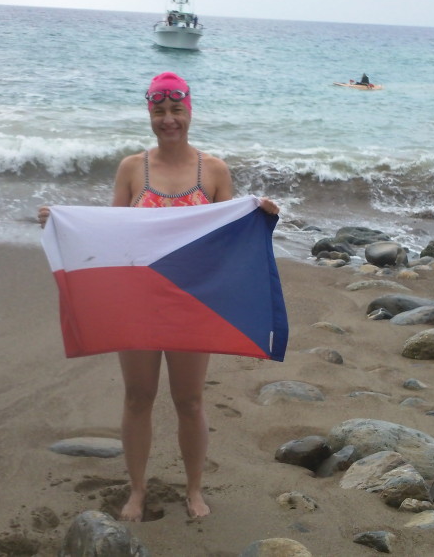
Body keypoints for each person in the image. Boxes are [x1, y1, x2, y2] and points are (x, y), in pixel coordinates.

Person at [38, 72, 278, 521]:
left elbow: (227, 240)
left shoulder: (215, 170)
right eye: (160, 111)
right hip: (138, 303)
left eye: (176, 110)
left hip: (193, 302)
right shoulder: (132, 168)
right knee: (138, 396)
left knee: (189, 400)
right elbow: (110, 233)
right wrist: (61, 223)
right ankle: (136, 489)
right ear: (150, 115)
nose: (169, 120)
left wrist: (259, 217)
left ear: (190, 112)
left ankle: (194, 489)